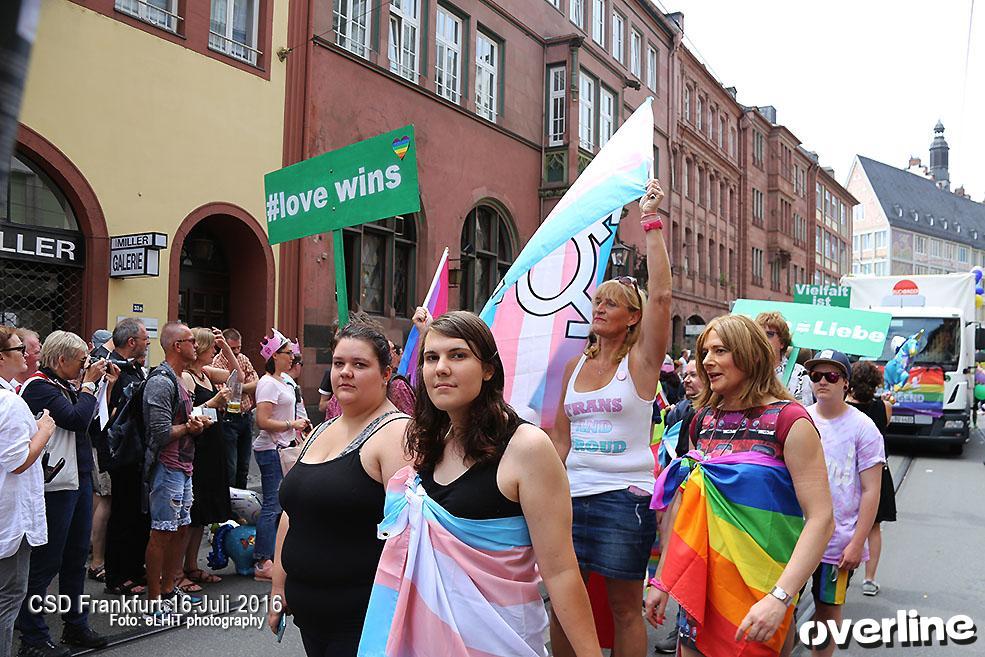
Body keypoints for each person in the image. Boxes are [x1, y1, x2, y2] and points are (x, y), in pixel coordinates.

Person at [356, 311, 602, 657]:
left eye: (457, 355)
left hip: (502, 643)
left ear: (488, 369)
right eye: (431, 357)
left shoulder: (528, 448)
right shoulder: (430, 444)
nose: (441, 368)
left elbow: (561, 572)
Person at [645, 314, 834, 657]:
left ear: (750, 355)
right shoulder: (702, 420)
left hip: (761, 591)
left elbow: (821, 519)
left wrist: (780, 597)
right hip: (701, 589)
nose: (707, 361)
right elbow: (687, 508)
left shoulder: (790, 421)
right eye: (705, 352)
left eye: (720, 351)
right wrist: (662, 579)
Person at [549, 179, 671, 657]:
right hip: (570, 497)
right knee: (564, 604)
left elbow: (661, 297)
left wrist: (650, 221)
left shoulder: (640, 364)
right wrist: (545, 491)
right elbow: (560, 440)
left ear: (633, 317)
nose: (599, 308)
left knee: (623, 608)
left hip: (624, 499)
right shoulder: (573, 367)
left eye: (611, 304)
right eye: (597, 302)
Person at [267, 323, 411, 656]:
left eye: (359, 364)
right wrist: (278, 587)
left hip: (362, 620)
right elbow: (293, 513)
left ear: (386, 373)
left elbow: (407, 538)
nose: (346, 372)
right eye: (338, 363)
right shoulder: (322, 430)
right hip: (309, 616)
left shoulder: (397, 434)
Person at [17, 331, 117, 656]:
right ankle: (33, 637)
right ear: (61, 360)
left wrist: (101, 387)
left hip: (78, 479)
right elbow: (75, 419)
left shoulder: (66, 385)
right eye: (81, 360)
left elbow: (94, 423)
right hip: (56, 486)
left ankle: (76, 624)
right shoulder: (39, 387)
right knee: (47, 561)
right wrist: (88, 385)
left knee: (75, 558)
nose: (86, 365)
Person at [804, 350, 884, 657]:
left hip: (837, 544)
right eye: (816, 376)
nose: (823, 381)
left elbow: (871, 490)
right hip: (794, 538)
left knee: (827, 612)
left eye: (832, 376)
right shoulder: (799, 419)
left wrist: (857, 543)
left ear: (845, 383)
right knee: (782, 609)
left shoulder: (864, 427)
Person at [142, 322, 210, 613]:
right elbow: (159, 433)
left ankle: (170, 589)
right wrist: (189, 427)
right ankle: (154, 599)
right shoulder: (161, 381)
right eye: (191, 340)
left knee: (181, 528)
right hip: (166, 466)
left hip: (184, 466)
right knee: (162, 532)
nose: (196, 345)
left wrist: (195, 426)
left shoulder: (180, 379)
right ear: (176, 346)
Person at [0, 327, 56, 657]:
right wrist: (44, 431)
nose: (25, 354)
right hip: (10, 514)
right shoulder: (9, 402)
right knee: (8, 597)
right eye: (18, 348)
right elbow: (18, 461)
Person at [177, 328, 239, 592]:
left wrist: (226, 348)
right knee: (193, 512)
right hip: (199, 448)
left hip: (213, 445)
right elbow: (188, 414)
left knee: (202, 514)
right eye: (212, 346)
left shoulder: (206, 372)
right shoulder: (188, 377)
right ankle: (178, 571)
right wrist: (214, 401)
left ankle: (192, 565)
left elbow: (237, 376)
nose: (214, 350)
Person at [253, 329, 309, 582]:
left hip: (284, 447)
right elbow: (262, 421)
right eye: (288, 353)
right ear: (275, 355)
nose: (292, 357)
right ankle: (262, 560)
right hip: (271, 449)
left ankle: (275, 555)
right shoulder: (267, 383)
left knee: (282, 503)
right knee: (272, 505)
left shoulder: (283, 380)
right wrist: (291, 424)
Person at [102, 318, 152, 597]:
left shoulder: (134, 368)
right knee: (123, 514)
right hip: (123, 453)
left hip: (138, 451)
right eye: (145, 338)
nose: (148, 342)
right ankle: (117, 575)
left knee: (138, 514)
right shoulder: (111, 368)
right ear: (132, 342)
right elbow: (106, 411)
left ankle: (134, 567)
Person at [845, 360, 895, 597]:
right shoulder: (884, 407)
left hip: (848, 472)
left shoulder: (843, 407)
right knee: (874, 527)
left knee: (842, 522)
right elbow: (885, 425)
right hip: (876, 473)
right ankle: (869, 579)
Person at [212, 328, 259, 489]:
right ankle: (230, 500)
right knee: (230, 466)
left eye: (239, 347)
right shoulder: (217, 363)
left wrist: (240, 387)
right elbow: (225, 394)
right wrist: (244, 387)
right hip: (228, 418)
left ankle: (242, 499)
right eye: (233, 349)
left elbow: (256, 383)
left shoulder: (243, 358)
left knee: (244, 466)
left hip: (245, 416)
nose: (237, 351)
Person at [756, 312, 814, 407]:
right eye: (758, 335)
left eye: (769, 334)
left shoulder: (798, 374)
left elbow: (803, 411)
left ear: (782, 342)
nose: (762, 339)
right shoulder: (746, 371)